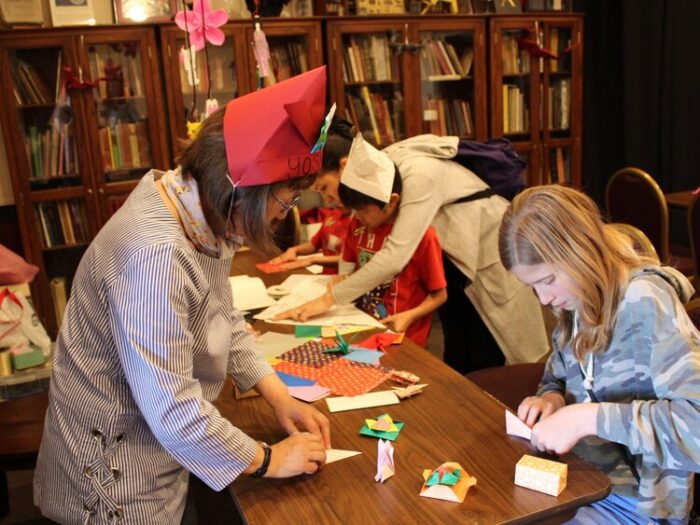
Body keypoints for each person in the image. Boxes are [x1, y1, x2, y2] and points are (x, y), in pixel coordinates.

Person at [34, 68, 332, 524]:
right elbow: (172, 408)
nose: (280, 216)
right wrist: (270, 459)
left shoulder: (197, 206)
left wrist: (277, 394)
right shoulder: (155, 257)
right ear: (242, 195)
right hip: (118, 470)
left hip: (152, 447)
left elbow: (221, 314)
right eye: (284, 202)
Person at [276, 119, 549, 373]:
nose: (327, 199)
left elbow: (395, 255)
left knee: (489, 354)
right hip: (455, 261)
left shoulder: (416, 175)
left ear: (345, 166)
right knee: (458, 353)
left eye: (325, 187)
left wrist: (328, 299)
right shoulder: (382, 170)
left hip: (486, 259)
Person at [499, 185, 700, 524]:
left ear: (580, 253)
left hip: (639, 508)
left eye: (547, 280)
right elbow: (557, 376)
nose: (544, 299)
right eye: (532, 287)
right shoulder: (575, 300)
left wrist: (586, 418)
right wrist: (552, 400)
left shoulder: (644, 303)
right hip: (584, 481)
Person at [335, 134, 447, 347]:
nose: (358, 217)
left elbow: (439, 295)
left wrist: (411, 315)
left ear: (392, 202)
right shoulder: (357, 225)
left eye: (364, 211)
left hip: (404, 337)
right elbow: (347, 267)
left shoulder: (421, 236)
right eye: (354, 211)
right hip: (362, 328)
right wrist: (340, 280)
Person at [267, 205, 351, 274]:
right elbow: (314, 244)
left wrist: (313, 260)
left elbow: (351, 258)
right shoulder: (333, 214)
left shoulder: (358, 220)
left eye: (324, 188)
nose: (327, 200)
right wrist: (294, 250)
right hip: (325, 277)